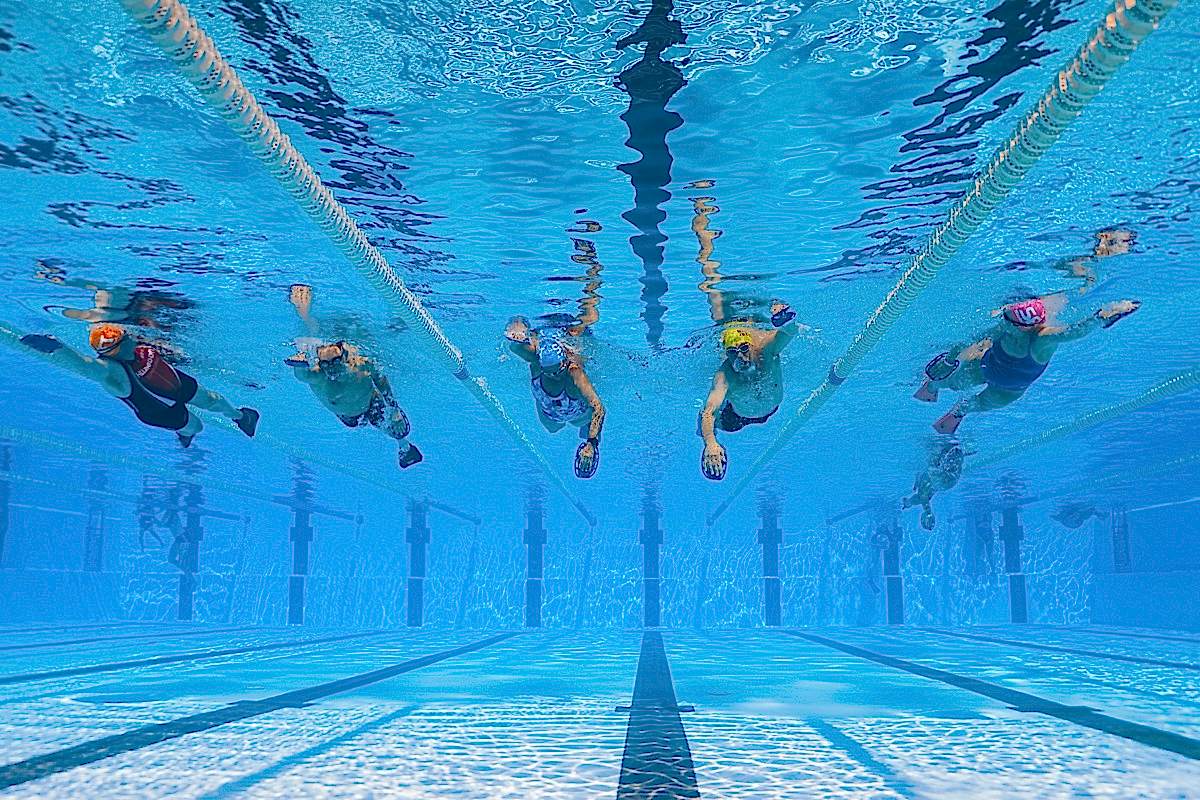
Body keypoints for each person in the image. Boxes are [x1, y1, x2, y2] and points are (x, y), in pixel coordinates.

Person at [914, 295, 1141, 435]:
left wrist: (1102, 316)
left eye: (1007, 319)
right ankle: (931, 389)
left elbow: (1073, 331)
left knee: (971, 404)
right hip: (986, 364)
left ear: (1022, 326)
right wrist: (949, 359)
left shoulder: (1041, 340)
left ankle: (958, 413)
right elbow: (971, 339)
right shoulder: (1004, 328)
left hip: (1007, 390)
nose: (1002, 322)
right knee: (952, 382)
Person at [18, 323, 258, 447]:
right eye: (126, 336)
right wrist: (56, 348)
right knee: (196, 427)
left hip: (172, 382)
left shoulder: (135, 348)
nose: (132, 335)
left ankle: (241, 417)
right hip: (159, 411)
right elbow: (85, 366)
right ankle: (183, 433)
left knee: (212, 400)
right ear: (118, 348)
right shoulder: (113, 373)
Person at [698, 301, 801, 481]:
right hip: (735, 418)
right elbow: (709, 412)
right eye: (732, 351)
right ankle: (707, 442)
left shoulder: (765, 349)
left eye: (744, 348)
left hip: (771, 408)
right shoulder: (725, 375)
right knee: (706, 419)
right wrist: (710, 443)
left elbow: (790, 332)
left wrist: (784, 320)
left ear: (752, 345)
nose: (740, 357)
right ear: (726, 353)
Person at [286, 340, 423, 469]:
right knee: (356, 423)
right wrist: (300, 362)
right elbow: (301, 374)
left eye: (335, 361)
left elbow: (380, 379)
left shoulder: (362, 364)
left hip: (371, 401)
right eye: (326, 364)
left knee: (396, 426)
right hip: (348, 416)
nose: (331, 369)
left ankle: (404, 446)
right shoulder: (317, 376)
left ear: (345, 356)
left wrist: (393, 408)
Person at [504, 317, 605, 479]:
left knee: (578, 422)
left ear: (564, 363)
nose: (553, 376)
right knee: (552, 428)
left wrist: (592, 442)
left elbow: (598, 407)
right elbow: (514, 344)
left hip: (577, 412)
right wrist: (518, 331)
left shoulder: (574, 372)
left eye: (556, 372)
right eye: (548, 372)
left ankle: (591, 294)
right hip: (551, 415)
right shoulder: (536, 361)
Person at [902, 442, 965, 530]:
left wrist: (909, 503)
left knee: (948, 459)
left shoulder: (922, 490)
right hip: (944, 481)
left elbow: (919, 499)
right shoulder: (922, 494)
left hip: (947, 482)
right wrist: (928, 513)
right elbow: (921, 499)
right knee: (939, 460)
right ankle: (951, 451)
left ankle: (954, 451)